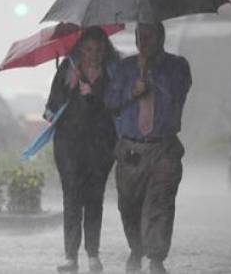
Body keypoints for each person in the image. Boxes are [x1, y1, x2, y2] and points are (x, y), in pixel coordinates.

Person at [105, 22, 192, 274]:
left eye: (149, 35)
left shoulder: (177, 66)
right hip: (131, 149)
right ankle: (136, 249)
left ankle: (156, 258)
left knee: (160, 203)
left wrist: (150, 74)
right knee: (128, 205)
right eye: (139, 36)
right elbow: (111, 102)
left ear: (160, 38)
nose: (144, 41)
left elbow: (177, 94)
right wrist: (132, 92)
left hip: (163, 148)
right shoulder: (123, 69)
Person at [44, 26, 119, 273]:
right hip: (69, 145)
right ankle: (70, 256)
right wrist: (67, 90)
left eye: (98, 49)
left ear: (105, 49)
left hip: (100, 146)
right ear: (80, 49)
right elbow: (51, 107)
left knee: (94, 199)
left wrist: (95, 93)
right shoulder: (68, 69)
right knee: (72, 198)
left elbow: (118, 105)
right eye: (88, 49)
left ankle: (93, 254)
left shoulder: (113, 73)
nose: (93, 54)